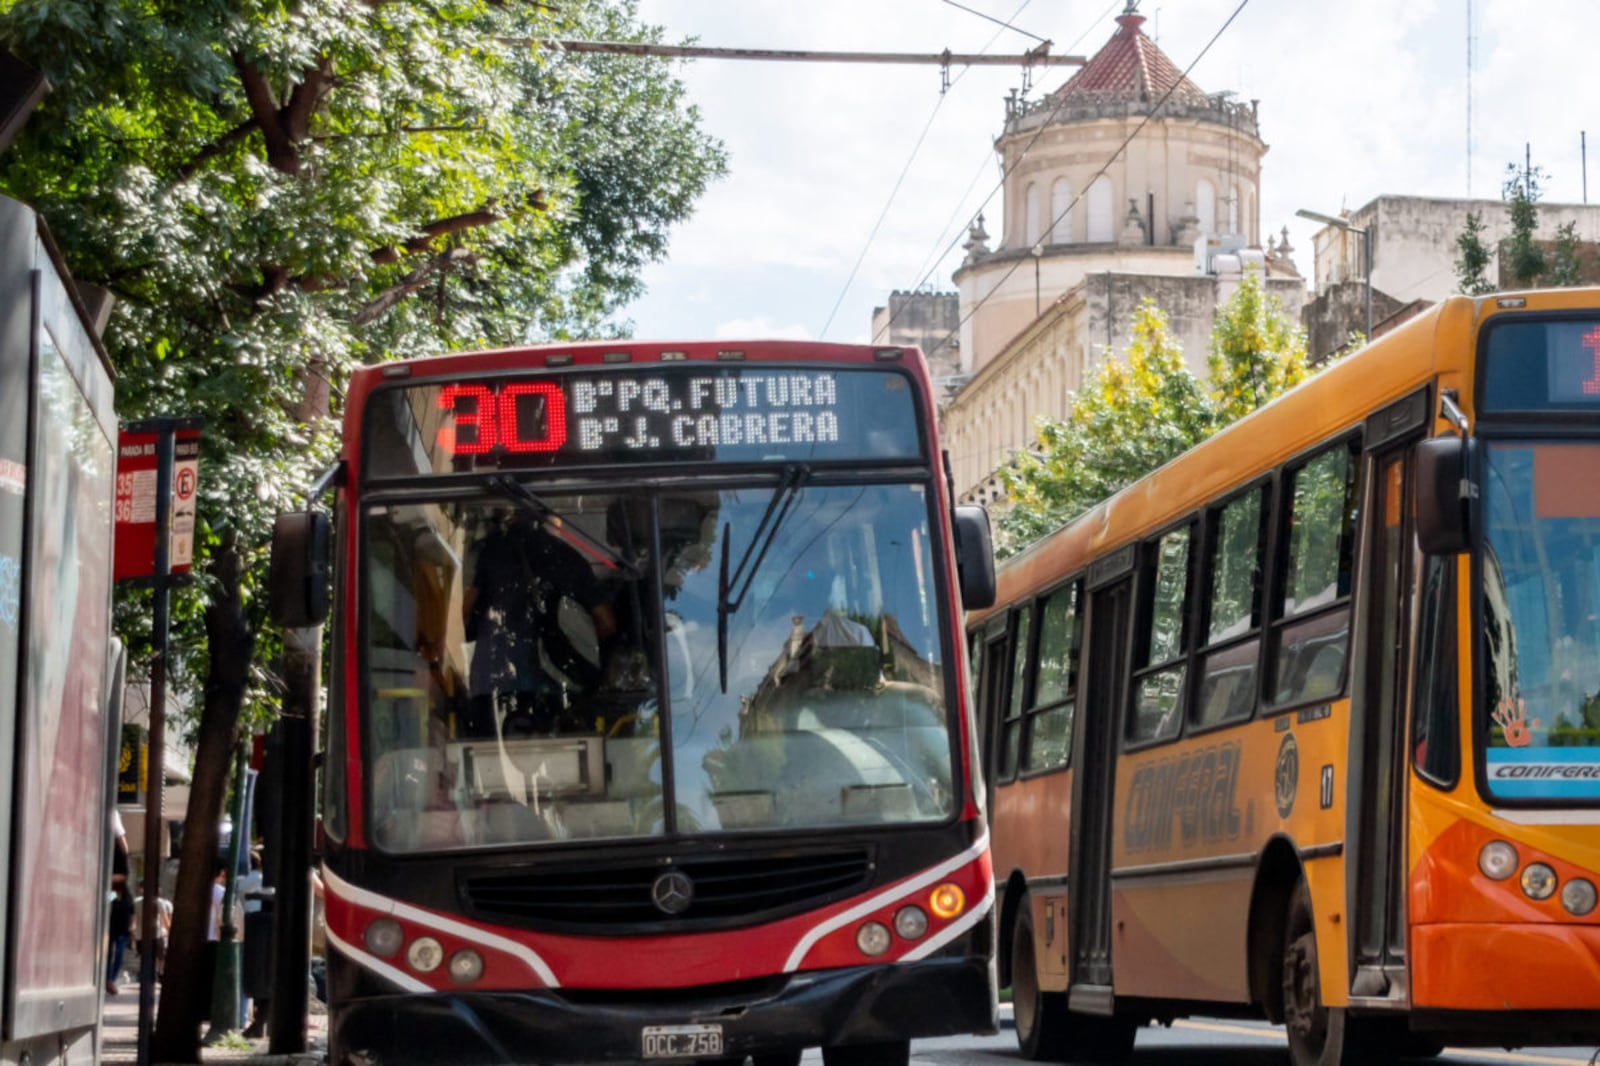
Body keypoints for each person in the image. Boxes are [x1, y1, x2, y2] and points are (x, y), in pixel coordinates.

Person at [461, 509, 616, 738]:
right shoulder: (569, 558)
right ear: (550, 520)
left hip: (491, 682)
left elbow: (465, 614)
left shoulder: (490, 551)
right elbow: (606, 623)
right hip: (554, 688)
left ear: (510, 517)